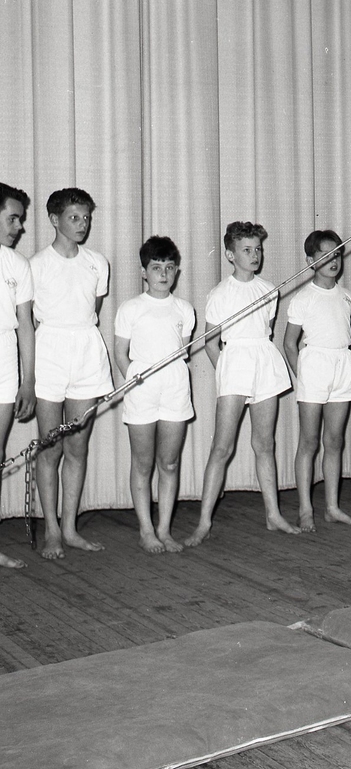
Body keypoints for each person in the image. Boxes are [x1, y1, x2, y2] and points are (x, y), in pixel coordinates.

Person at [185, 221, 299, 547]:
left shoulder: (269, 290)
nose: (254, 255)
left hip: (264, 361)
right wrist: (228, 373)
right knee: (221, 447)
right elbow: (211, 343)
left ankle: (273, 514)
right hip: (234, 362)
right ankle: (204, 523)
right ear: (230, 255)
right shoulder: (219, 293)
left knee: (264, 444)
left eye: (257, 249)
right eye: (247, 250)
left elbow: (265, 329)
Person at [31, 188, 113, 560]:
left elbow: (92, 309)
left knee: (77, 447)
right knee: (50, 448)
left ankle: (69, 528)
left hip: (87, 353)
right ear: (54, 220)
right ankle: (51, 531)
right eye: (74, 218)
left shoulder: (97, 262)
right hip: (49, 354)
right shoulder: (36, 265)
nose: (82, 224)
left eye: (86, 218)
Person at [113, 236, 195, 555]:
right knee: (143, 462)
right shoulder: (130, 308)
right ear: (143, 272)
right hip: (142, 388)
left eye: (169, 267)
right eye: (156, 267)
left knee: (169, 463)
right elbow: (120, 354)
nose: (163, 273)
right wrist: (134, 383)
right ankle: (146, 530)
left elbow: (183, 351)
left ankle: (164, 529)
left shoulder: (184, 309)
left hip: (175, 386)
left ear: (176, 272)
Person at [284, 229, 351, 530]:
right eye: (326, 255)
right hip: (314, 366)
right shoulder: (303, 298)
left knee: (334, 440)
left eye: (337, 254)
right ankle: (305, 509)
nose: (333, 260)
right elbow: (289, 344)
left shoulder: (348, 297)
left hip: (342, 364)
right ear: (310, 261)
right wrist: (304, 377)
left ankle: (332, 507)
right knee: (309, 441)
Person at [0, 183, 35, 569]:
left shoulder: (17, 264)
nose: (19, 227)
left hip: (5, 359)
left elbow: (25, 324)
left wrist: (28, 381)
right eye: (12, 218)